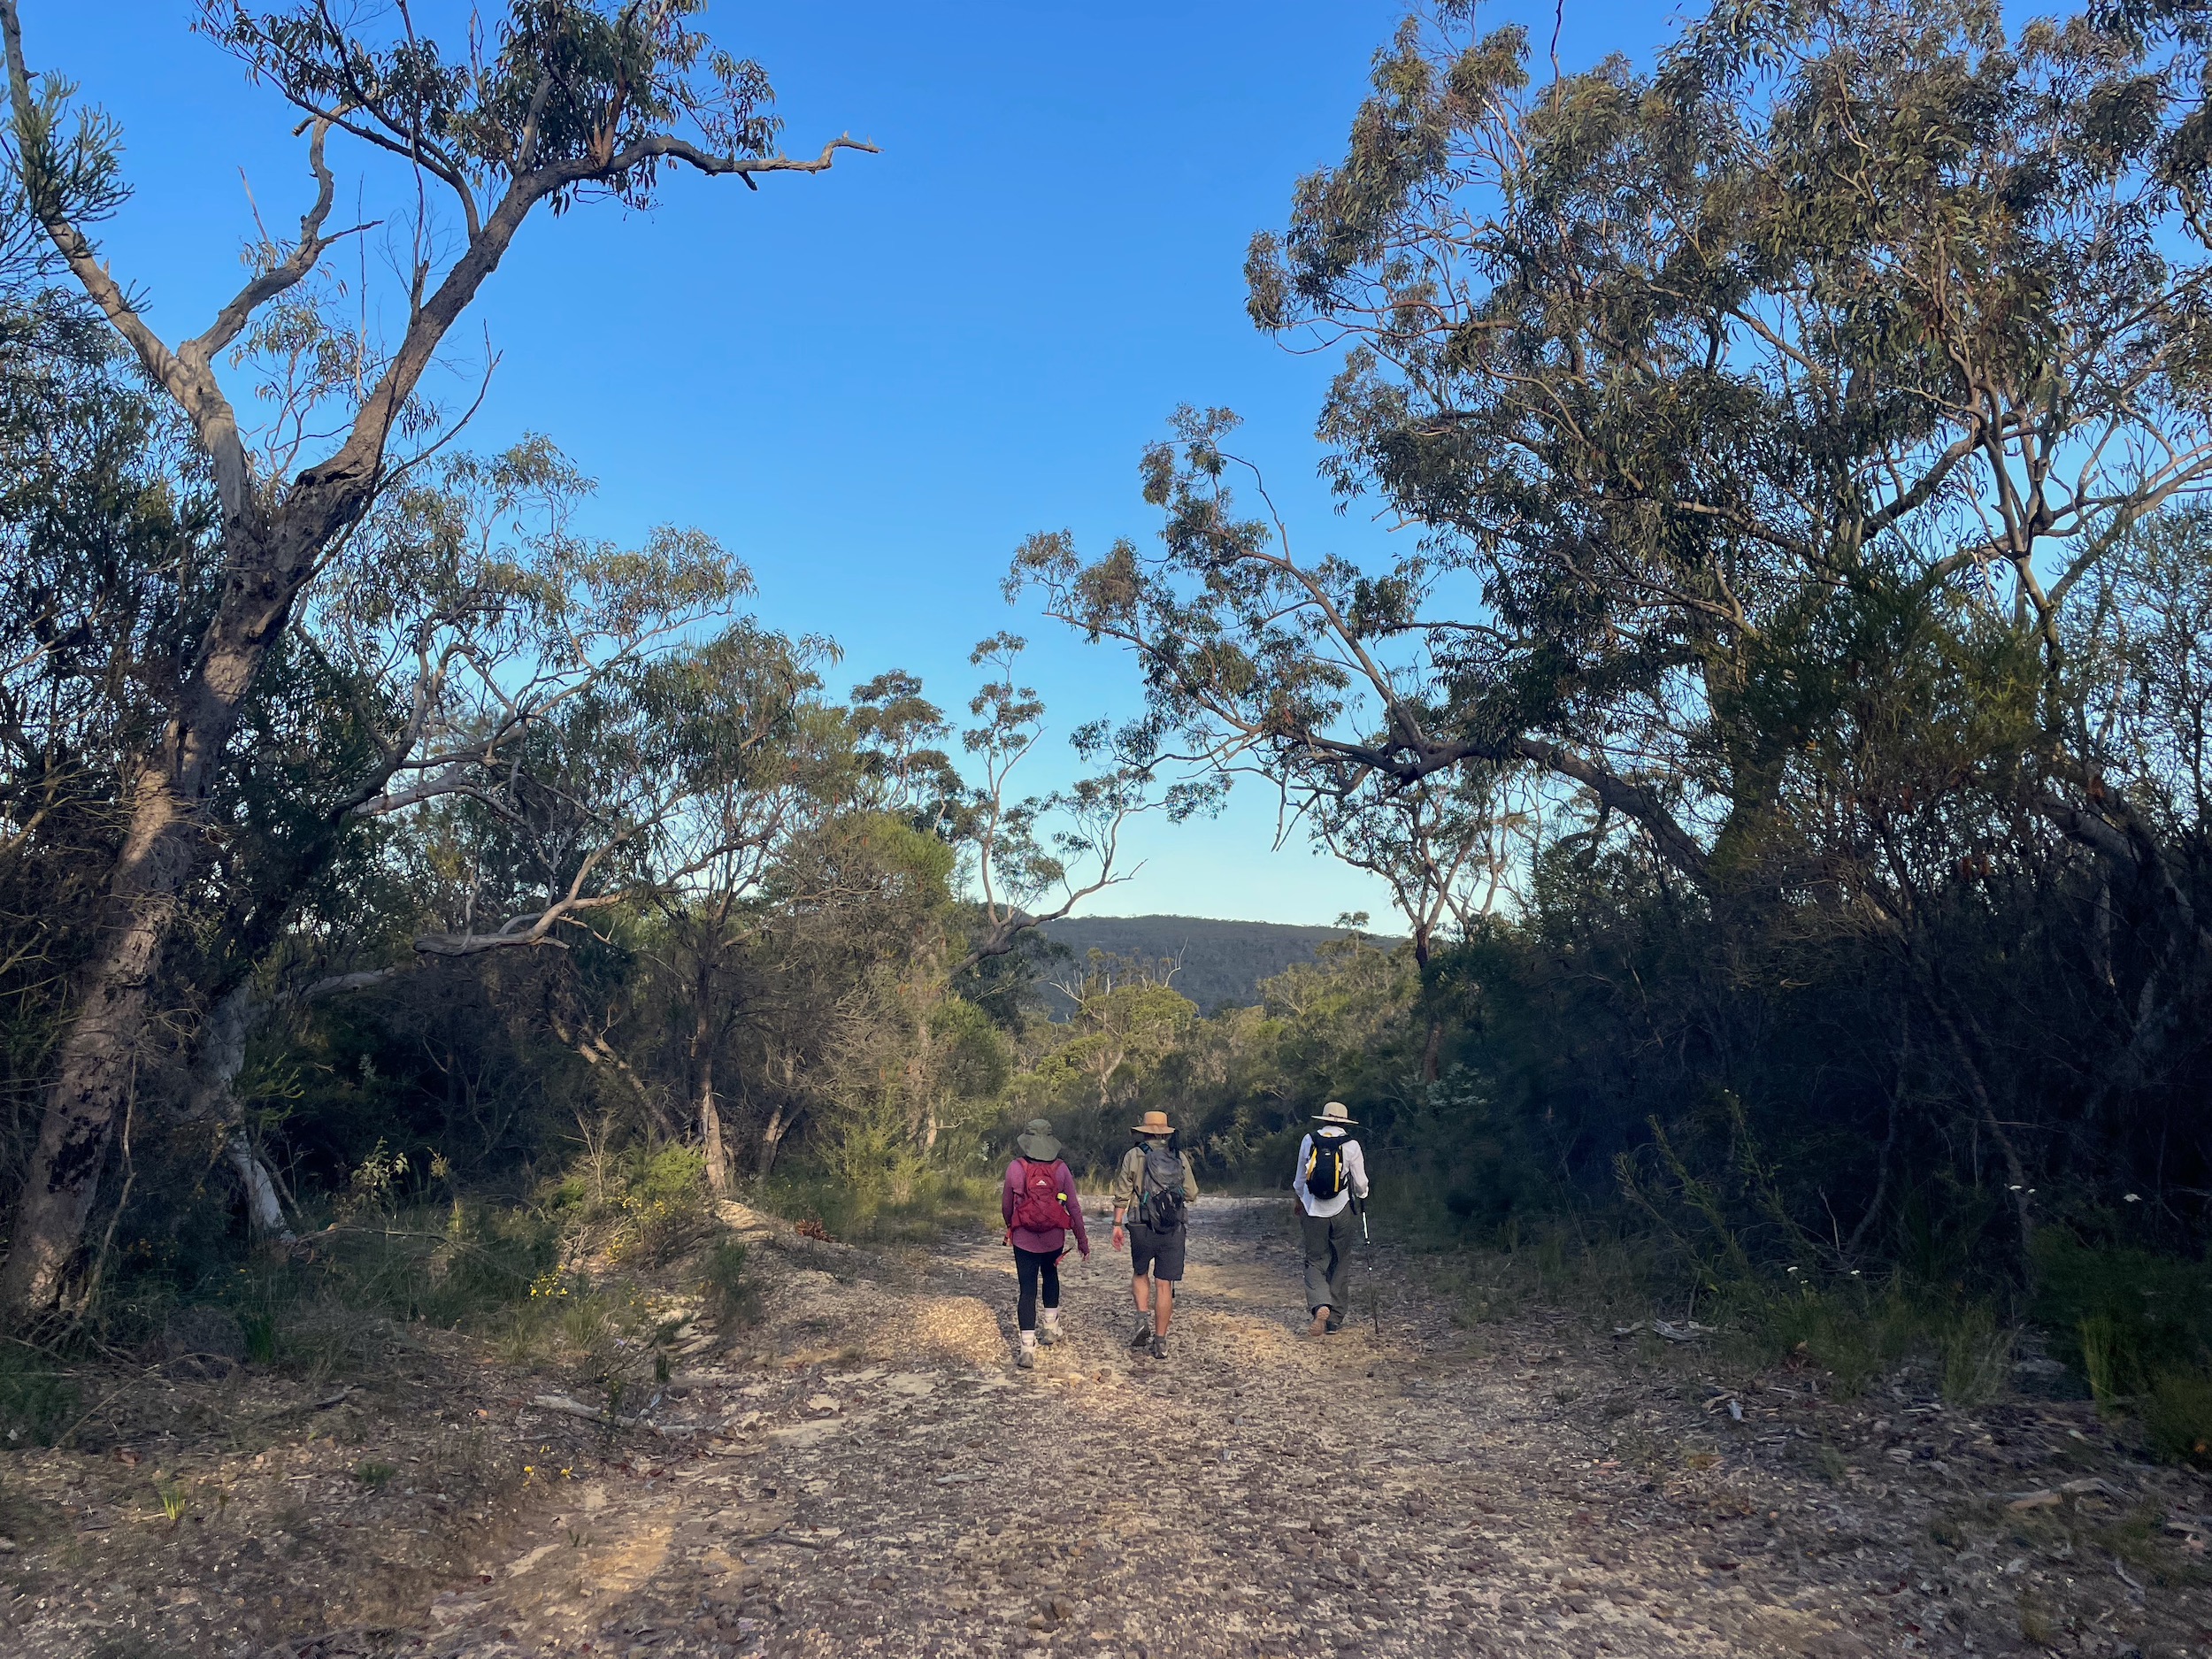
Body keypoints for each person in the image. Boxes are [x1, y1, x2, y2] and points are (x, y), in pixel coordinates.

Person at [1110, 1110, 1199, 1360]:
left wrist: (1117, 1224)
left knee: (1140, 1273)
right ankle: (1160, 1341)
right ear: (1166, 1132)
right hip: (1173, 1226)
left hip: (1141, 1224)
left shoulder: (1134, 1155)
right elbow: (1191, 1193)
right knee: (1164, 1284)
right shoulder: (1178, 1156)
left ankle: (1141, 1319)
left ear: (1144, 1131)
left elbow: (1123, 1193)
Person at [1001, 1117, 1088, 1370]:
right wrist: (1082, 1240)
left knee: (1027, 1290)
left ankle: (1027, 1349)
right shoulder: (1061, 1169)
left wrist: (1012, 1226)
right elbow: (1073, 1207)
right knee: (1050, 1276)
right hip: (1053, 1237)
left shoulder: (1015, 1168)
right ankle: (1050, 1328)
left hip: (1023, 1238)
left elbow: (1006, 1206)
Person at [1292, 1101, 1371, 1336]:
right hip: (1341, 1209)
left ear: (1324, 1118)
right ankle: (1334, 1319)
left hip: (1313, 1208)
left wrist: (1299, 1201)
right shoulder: (1352, 1145)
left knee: (1315, 1260)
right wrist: (1363, 1196)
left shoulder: (1309, 1140)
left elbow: (1300, 1180)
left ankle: (1320, 1305)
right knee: (1340, 1259)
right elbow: (1361, 1184)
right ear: (1344, 1122)